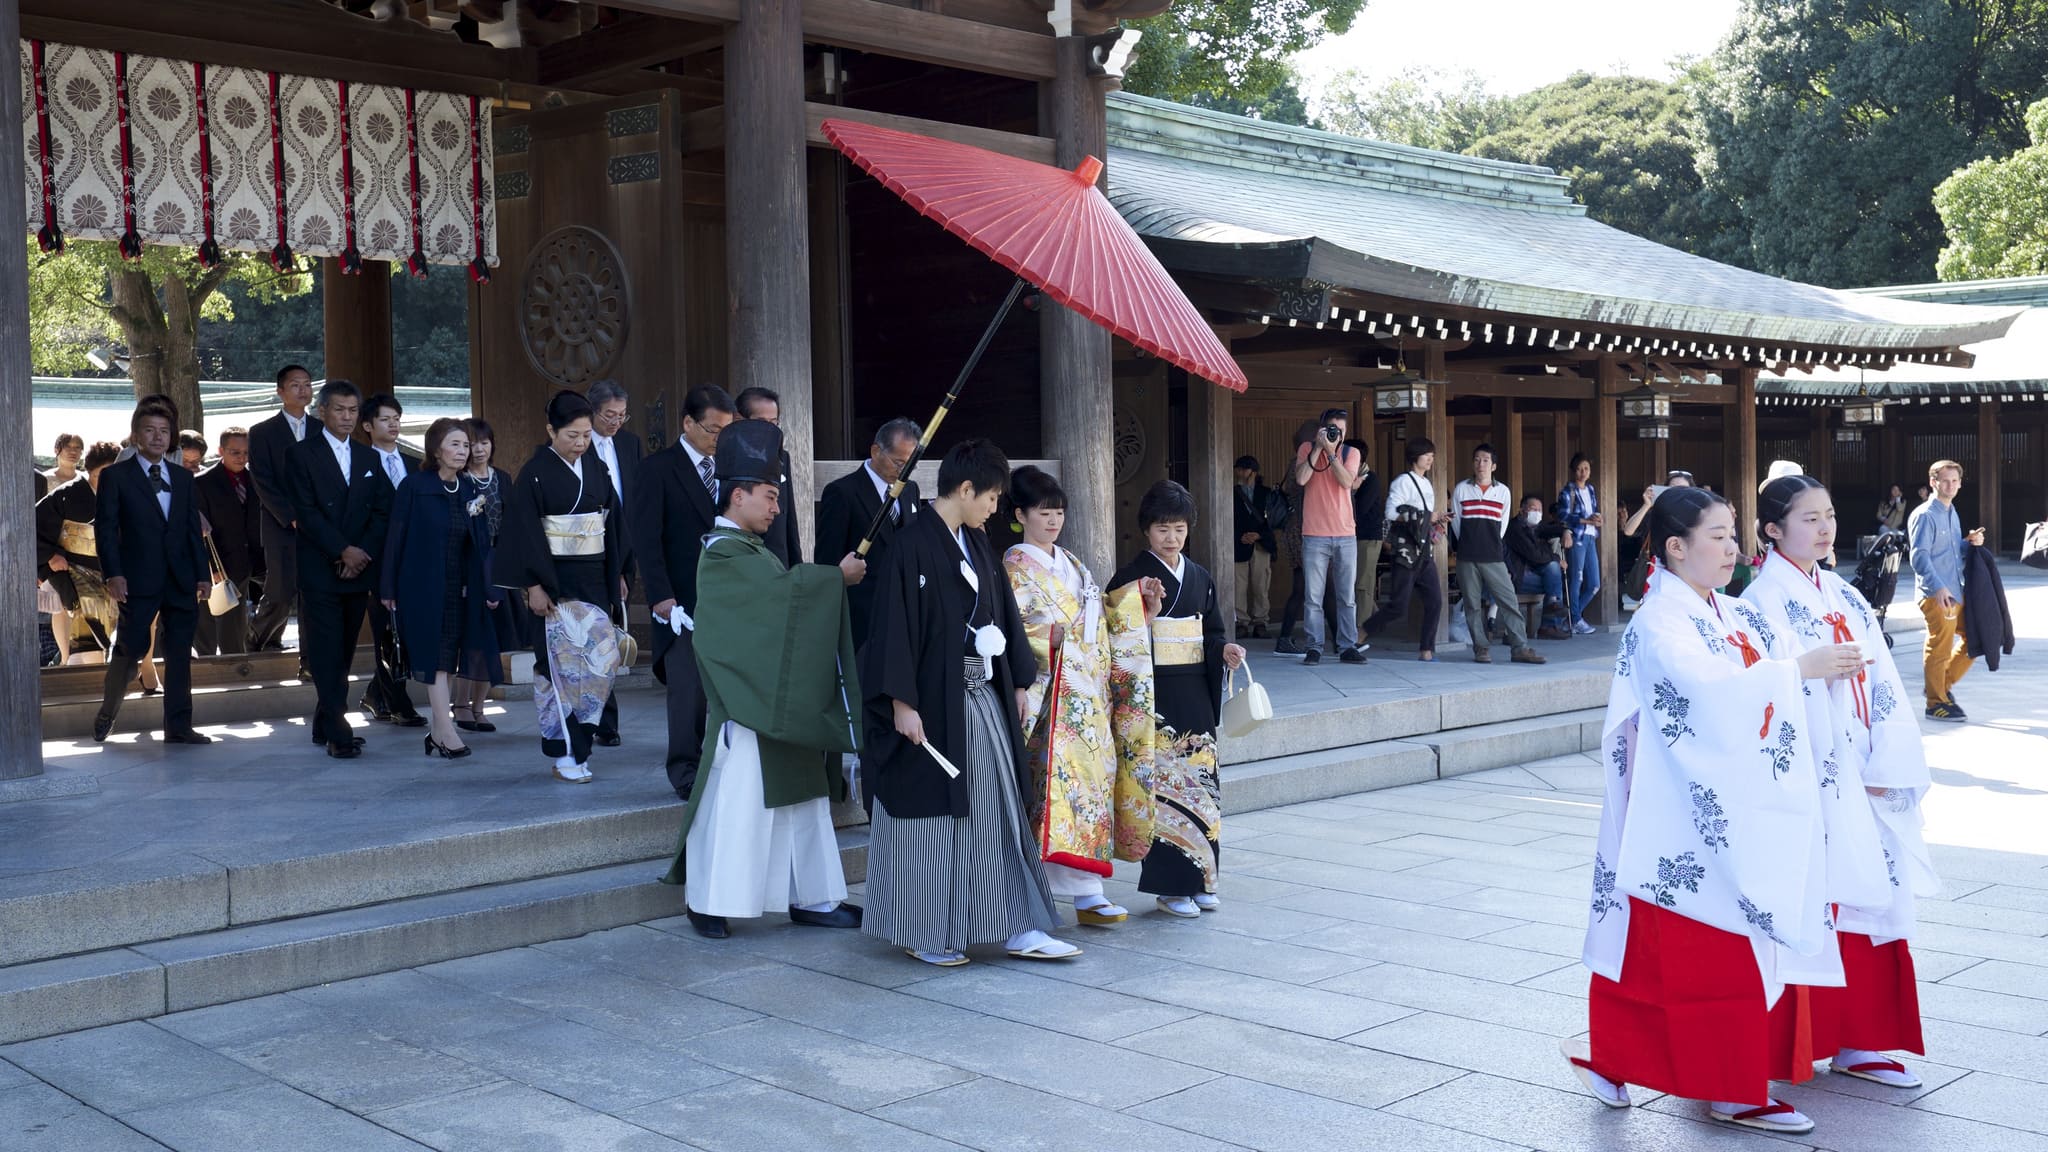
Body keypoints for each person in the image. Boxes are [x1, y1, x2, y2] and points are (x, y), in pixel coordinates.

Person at [1561, 486, 1867, 1135]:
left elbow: (1776, 659)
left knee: (1657, 951)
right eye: (1718, 536)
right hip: (1683, 811)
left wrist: (1815, 664)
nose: (1733, 548)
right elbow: (1705, 695)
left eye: (1734, 535)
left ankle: (1614, 1058)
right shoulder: (1657, 623)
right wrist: (1797, 673)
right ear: (1676, 547)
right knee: (1701, 947)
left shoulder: (1736, 615)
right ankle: (1730, 1087)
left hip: (1719, 805)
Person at [1742, 474, 1940, 1091]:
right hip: (1817, 770)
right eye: (1809, 519)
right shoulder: (1761, 601)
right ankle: (1804, 1042)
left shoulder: (1843, 594)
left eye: (1828, 515)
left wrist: (1888, 758)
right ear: (1773, 531)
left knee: (1871, 899)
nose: (1825, 528)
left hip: (1864, 761)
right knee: (1818, 901)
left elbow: (1880, 680)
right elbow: (1765, 688)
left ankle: (1861, 1037)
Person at [860, 438, 1074, 967]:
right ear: (964, 488)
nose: (995, 509)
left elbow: (1000, 613)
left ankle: (1017, 924)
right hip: (930, 702)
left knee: (999, 812)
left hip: (982, 696)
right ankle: (926, 929)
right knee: (929, 822)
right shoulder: (910, 545)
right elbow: (891, 629)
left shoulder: (976, 544)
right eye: (992, 498)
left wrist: (1019, 681)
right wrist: (899, 702)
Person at [659, 419, 864, 939]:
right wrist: (831, 578)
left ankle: (814, 897)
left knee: (805, 803)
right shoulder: (722, 553)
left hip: (777, 699)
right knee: (738, 804)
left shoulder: (751, 551)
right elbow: (774, 606)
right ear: (737, 494)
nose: (777, 509)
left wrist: (817, 583)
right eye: (770, 497)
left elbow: (785, 604)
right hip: (748, 706)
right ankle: (708, 900)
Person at [1005, 466, 1161, 928]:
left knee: (1088, 793)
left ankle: (1088, 891)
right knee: (1057, 793)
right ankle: (1052, 891)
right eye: (1043, 513)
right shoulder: (1014, 567)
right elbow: (1022, 627)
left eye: (1058, 513)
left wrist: (1137, 605)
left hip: (1088, 698)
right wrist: (1059, 637)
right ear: (1020, 515)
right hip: (1052, 701)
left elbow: (1104, 619)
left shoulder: (1072, 562)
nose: (1053, 522)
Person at [1109, 480, 1246, 918]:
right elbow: (1115, 635)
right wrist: (1142, 611)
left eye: (1180, 529)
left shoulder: (1200, 576)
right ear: (1146, 531)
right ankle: (1170, 886)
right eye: (1163, 529)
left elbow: (1215, 630)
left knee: (1201, 787)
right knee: (1166, 790)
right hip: (1156, 696)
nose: (1172, 538)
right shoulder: (1130, 577)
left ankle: (1204, 877)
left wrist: (1223, 650)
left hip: (1195, 694)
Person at [495, 390, 628, 783]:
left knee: (598, 665)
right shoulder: (534, 473)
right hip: (554, 584)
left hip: (594, 576)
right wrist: (533, 585)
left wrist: (618, 570)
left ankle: (583, 741)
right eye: (572, 435)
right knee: (559, 669)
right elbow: (523, 534)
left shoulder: (596, 468)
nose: (581, 443)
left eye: (586, 435)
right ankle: (567, 751)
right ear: (550, 429)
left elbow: (613, 523)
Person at [90, 396, 211, 745]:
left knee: (179, 652)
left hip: (181, 576)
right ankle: (109, 709)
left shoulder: (183, 478)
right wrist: (113, 573)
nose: (158, 437)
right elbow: (106, 530)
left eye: (164, 431)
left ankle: (178, 726)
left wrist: (203, 574)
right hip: (136, 577)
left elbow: (191, 529)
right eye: (150, 430)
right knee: (131, 648)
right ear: (136, 435)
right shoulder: (116, 476)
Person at [637, 385, 737, 800]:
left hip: (729, 596)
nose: (719, 439)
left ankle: (728, 762)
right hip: (681, 598)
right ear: (688, 423)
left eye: (726, 432)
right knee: (688, 690)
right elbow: (646, 538)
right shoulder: (658, 468)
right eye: (713, 430)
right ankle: (685, 769)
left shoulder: (731, 467)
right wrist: (661, 597)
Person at [381, 418, 500, 759]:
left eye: (466, 445)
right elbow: (396, 538)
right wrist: (388, 587)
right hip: (419, 584)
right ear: (436, 450)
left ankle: (437, 731)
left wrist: (488, 588)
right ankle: (445, 729)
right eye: (455, 445)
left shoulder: (468, 490)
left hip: (458, 586)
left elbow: (480, 546)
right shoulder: (415, 486)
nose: (463, 451)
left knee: (448, 655)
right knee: (434, 655)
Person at [288, 380, 392, 759]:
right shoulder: (301, 455)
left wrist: (361, 552)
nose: (347, 417)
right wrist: (342, 550)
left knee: (345, 648)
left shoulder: (369, 458)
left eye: (352, 411)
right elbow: (306, 512)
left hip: (358, 567)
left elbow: (382, 510)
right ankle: (338, 729)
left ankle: (324, 719)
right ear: (322, 412)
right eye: (339, 410)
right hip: (321, 567)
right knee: (325, 650)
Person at [816, 418, 920, 651]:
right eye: (898, 463)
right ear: (876, 451)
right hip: (862, 616)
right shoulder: (842, 492)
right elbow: (827, 561)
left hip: (904, 612)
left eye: (911, 465)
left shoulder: (910, 490)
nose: (904, 472)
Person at [356, 393, 423, 728]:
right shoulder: (358, 463)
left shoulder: (415, 464)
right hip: (376, 560)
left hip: (413, 562)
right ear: (368, 425)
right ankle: (400, 703)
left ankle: (375, 693)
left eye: (397, 417)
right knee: (386, 631)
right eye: (385, 419)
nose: (393, 424)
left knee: (406, 631)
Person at [1451, 443, 1544, 665]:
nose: (1480, 464)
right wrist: (1468, 542)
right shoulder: (1461, 489)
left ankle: (1519, 647)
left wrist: (1491, 542)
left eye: (1485, 460)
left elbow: (1502, 525)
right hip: (1467, 554)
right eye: (1476, 460)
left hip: (1493, 555)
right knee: (1472, 605)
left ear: (1493, 466)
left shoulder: (1502, 491)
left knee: (1508, 600)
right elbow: (1456, 523)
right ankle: (1481, 648)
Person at [586, 379, 641, 748]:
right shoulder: (577, 444)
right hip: (589, 550)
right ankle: (601, 718)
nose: (616, 422)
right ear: (592, 412)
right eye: (609, 415)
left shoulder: (629, 443)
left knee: (611, 634)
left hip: (623, 548)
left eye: (622, 415)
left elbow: (633, 505)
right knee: (595, 638)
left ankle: (605, 717)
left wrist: (625, 568)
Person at [455, 418, 519, 733]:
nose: (478, 449)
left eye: (484, 442)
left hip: (498, 563)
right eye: (471, 443)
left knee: (490, 641)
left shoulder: (503, 479)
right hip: (469, 564)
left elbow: (512, 527)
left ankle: (480, 707)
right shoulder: (458, 480)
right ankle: (461, 706)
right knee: (472, 641)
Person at [1908, 460, 1983, 722]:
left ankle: (1938, 685)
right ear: (1933, 482)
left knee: (1976, 638)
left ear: (1960, 484)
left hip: (1955, 589)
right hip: (1937, 593)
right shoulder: (1925, 514)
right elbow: (1919, 557)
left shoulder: (1952, 512)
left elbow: (1951, 552)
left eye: (1954, 481)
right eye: (1944, 480)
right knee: (1940, 646)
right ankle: (1935, 702)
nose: (1950, 485)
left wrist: (1969, 542)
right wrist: (1937, 587)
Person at [1291, 408, 1367, 666]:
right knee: (1313, 597)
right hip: (1314, 534)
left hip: (1345, 533)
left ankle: (1347, 646)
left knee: (1347, 596)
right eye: (1332, 429)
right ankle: (1314, 647)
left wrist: (1332, 452)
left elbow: (1347, 482)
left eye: (1341, 431)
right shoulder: (1306, 449)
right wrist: (1318, 448)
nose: (1337, 434)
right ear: (1321, 429)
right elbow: (1301, 479)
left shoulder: (1350, 452)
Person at [1363, 437, 1450, 661]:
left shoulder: (1427, 483)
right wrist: (1427, 517)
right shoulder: (1403, 481)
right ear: (1415, 457)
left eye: (1432, 455)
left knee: (1435, 600)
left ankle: (1426, 650)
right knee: (1398, 605)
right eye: (1426, 455)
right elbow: (1391, 513)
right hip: (1405, 550)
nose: (1431, 459)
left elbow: (1424, 518)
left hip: (1423, 550)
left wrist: (1437, 519)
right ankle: (1362, 631)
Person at [37, 441, 124, 664]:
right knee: (84, 619)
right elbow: (33, 526)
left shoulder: (123, 496)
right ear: (90, 469)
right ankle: (72, 663)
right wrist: (50, 555)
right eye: (103, 473)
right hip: (72, 568)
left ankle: (91, 667)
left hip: (109, 570)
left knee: (109, 622)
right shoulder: (66, 495)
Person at [247, 365, 314, 653]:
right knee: (280, 590)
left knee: (313, 590)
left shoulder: (323, 430)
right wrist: (291, 516)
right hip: (279, 523)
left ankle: (309, 653)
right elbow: (262, 479)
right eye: (295, 385)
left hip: (318, 522)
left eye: (307, 384)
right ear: (281, 392)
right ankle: (258, 638)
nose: (303, 390)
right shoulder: (263, 432)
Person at [192, 427, 264, 657]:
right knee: (210, 621)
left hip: (252, 558)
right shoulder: (202, 482)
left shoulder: (258, 479)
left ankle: (239, 663)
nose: (241, 458)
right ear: (221, 450)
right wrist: (209, 566)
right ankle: (208, 665)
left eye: (245, 453)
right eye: (235, 452)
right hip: (217, 560)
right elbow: (199, 531)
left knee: (236, 626)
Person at [735, 386, 805, 567]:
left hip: (778, 563)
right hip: (741, 562)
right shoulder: (725, 459)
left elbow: (790, 522)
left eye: (773, 423)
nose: (768, 430)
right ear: (739, 420)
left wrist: (796, 566)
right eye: (761, 422)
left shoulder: (783, 458)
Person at [1505, 495, 1571, 640]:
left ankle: (1552, 609)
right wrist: (1557, 559)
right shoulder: (1515, 528)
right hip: (1518, 576)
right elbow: (1534, 555)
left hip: (1534, 572)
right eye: (1533, 509)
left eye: (1539, 510)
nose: (1537, 513)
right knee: (1554, 578)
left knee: (1553, 571)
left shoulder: (1535, 527)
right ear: (1522, 510)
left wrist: (1566, 531)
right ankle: (1549, 625)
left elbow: (1553, 528)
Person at [1230, 455, 1279, 637]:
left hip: (1261, 544)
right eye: (1239, 469)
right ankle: (1241, 622)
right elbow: (1226, 518)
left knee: (1261, 586)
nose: (1240, 472)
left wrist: (1259, 535)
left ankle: (1261, 622)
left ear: (1254, 471)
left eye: (1244, 469)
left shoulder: (1266, 493)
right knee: (1238, 586)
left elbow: (1274, 520)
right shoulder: (1231, 492)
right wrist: (1239, 536)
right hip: (1239, 543)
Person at [1556, 453, 1604, 634]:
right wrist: (1586, 521)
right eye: (1579, 469)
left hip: (1591, 536)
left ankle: (1569, 617)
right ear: (1573, 471)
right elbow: (1562, 515)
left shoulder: (1591, 490)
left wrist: (1597, 519)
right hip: (1577, 536)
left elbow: (1594, 511)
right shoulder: (1568, 491)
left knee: (1594, 584)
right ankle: (1574, 619)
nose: (1583, 472)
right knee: (1576, 578)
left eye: (1586, 469)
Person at [1350, 438, 1383, 632]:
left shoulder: (1370, 479)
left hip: (1368, 536)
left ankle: (1359, 629)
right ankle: (1377, 620)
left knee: (1363, 583)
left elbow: (1361, 509)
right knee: (1357, 581)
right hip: (1353, 536)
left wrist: (1351, 490)